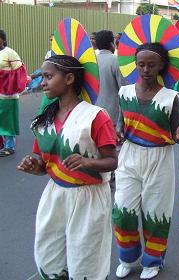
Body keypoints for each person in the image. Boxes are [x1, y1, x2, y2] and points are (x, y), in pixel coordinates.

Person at [17, 55, 118, 279]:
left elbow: (112, 161)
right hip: (55, 195)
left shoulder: (96, 117)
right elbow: (44, 164)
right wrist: (34, 166)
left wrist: (88, 161)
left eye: (48, 77)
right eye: (43, 76)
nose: (42, 82)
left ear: (70, 78)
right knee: (48, 256)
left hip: (89, 199)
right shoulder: (43, 120)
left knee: (85, 262)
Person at [113, 42, 179, 279]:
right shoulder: (124, 92)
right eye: (141, 64)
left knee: (155, 213)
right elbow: (121, 122)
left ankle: (153, 260)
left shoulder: (170, 98)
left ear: (161, 66)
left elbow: (176, 130)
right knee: (122, 211)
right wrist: (118, 132)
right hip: (129, 157)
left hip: (159, 159)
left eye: (151, 65)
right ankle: (127, 257)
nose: (145, 69)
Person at [0, 29, 27, 157]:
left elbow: (19, 73)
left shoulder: (10, 53)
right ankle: (1, 143)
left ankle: (9, 146)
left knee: (8, 120)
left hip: (7, 95)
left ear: (3, 39)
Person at [95, 30, 125, 127]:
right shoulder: (116, 61)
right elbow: (124, 90)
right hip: (113, 117)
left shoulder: (92, 62)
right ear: (112, 44)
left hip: (94, 114)